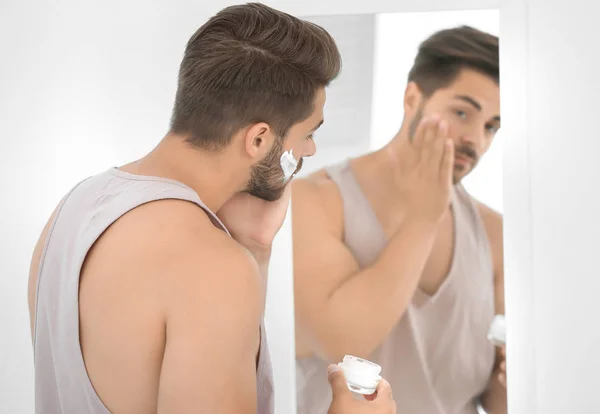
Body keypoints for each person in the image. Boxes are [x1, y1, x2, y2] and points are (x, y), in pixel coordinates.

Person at [27, 3, 396, 414]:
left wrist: (256, 249)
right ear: (258, 140)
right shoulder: (211, 266)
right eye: (308, 134)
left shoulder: (77, 204)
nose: (310, 150)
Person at [293, 25, 506, 414]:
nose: (476, 139)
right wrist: (424, 219)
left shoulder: (494, 234)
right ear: (412, 98)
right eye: (462, 113)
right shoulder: (316, 202)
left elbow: (496, 398)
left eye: (492, 125)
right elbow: (342, 341)